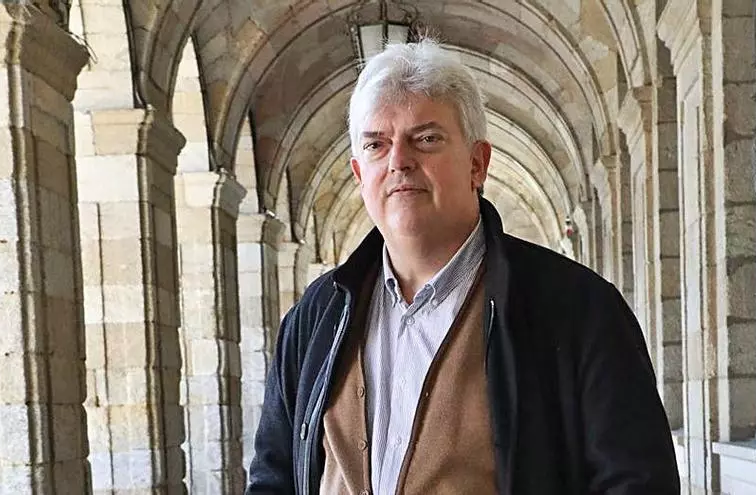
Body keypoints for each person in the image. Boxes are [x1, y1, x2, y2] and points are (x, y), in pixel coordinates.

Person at [247, 38, 679, 494]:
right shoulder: (314, 318)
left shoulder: (578, 309)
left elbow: (638, 483)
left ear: (477, 163)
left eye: (426, 139)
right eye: (376, 145)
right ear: (359, 175)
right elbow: (272, 479)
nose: (399, 162)